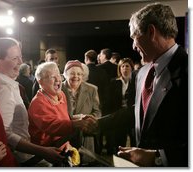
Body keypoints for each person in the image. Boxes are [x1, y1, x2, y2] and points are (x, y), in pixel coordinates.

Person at [117, 3, 188, 167]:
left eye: (134, 37)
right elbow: (138, 114)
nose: (133, 46)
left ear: (151, 32)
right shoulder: (141, 74)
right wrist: (97, 123)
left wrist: (158, 158)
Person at [0, 37, 65, 166]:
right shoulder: (4, 90)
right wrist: (42, 151)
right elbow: (4, 135)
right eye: (14, 58)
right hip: (20, 159)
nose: (21, 62)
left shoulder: (9, 86)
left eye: (20, 57)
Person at [28, 62, 97, 147]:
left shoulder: (61, 95)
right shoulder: (38, 103)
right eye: (52, 77)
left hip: (63, 144)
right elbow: (52, 126)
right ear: (40, 82)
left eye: (58, 75)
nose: (58, 80)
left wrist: (80, 117)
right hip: (46, 152)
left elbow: (64, 118)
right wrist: (76, 124)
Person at [62, 60, 101, 165]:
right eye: (72, 73)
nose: (76, 76)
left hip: (85, 136)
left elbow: (97, 112)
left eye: (79, 74)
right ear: (65, 74)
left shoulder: (92, 89)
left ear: (83, 75)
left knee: (86, 164)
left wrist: (88, 120)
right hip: (64, 137)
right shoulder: (59, 89)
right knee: (66, 163)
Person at [105, 58, 135, 155]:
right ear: (119, 68)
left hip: (132, 114)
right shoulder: (114, 82)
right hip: (119, 113)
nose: (124, 68)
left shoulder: (135, 81)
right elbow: (110, 100)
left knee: (134, 138)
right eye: (122, 66)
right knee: (120, 138)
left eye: (127, 66)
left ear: (131, 68)